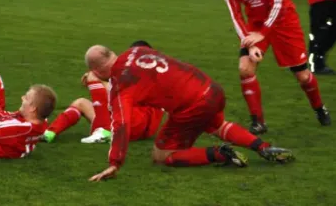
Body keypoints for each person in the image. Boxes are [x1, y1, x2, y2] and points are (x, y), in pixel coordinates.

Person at [85, 45, 295, 182]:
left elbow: (121, 124)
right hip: (211, 88)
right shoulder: (138, 50)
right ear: (112, 53)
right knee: (217, 125)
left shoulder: (122, 83)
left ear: (97, 72)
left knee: (161, 155)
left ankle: (221, 153)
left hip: (192, 105)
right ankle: (263, 147)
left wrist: (115, 162)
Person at [220, 0, 331, 134]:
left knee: (303, 76)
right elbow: (236, 16)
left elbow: (278, 3)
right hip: (256, 26)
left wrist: (263, 33)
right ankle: (258, 122)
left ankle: (319, 108)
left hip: (284, 22)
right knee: (245, 68)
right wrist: (251, 42)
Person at [42, 40, 163, 144]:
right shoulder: (152, 72)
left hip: (134, 126)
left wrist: (97, 81)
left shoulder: (142, 74)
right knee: (81, 103)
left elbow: (119, 94)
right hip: (135, 123)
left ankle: (104, 131)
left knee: (94, 80)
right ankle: (48, 133)